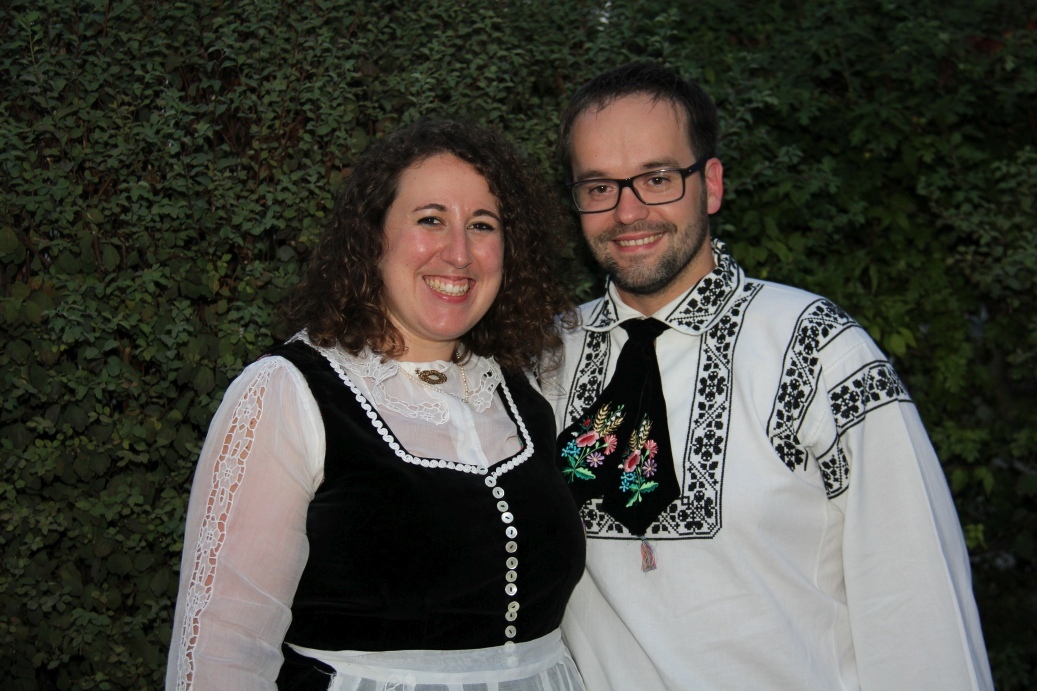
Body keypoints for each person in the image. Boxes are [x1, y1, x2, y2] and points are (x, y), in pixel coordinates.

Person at [541, 62, 994, 690]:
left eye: (658, 178)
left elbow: (913, 591)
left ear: (711, 185)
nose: (628, 211)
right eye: (598, 187)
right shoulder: (545, 361)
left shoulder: (820, 351)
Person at [165, 119, 587, 690]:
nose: (459, 253)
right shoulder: (288, 392)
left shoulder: (523, 393)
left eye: (482, 225)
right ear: (372, 237)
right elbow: (224, 647)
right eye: (430, 219)